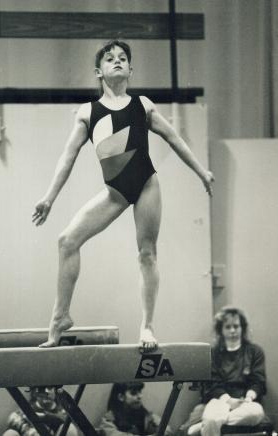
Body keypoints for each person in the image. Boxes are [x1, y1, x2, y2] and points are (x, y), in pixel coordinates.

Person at [32, 40, 215, 351]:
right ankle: (60, 316)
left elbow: (174, 138)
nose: (116, 62)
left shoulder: (142, 105)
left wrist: (202, 171)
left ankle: (147, 326)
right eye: (109, 59)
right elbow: (67, 157)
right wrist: (49, 198)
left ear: (131, 69)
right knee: (67, 241)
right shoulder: (88, 113)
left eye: (122, 58)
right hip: (115, 193)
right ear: (98, 72)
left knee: (146, 253)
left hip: (146, 185)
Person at [178, 306, 266, 436]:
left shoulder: (254, 351)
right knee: (212, 418)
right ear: (221, 330)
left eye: (236, 326)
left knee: (256, 413)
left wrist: (248, 397)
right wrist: (229, 401)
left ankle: (204, 425)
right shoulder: (213, 353)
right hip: (219, 400)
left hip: (246, 402)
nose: (232, 330)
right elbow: (212, 384)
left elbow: (258, 382)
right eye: (228, 327)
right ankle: (210, 422)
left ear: (242, 328)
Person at [98, 382, 173, 436]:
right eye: (133, 393)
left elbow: (167, 430)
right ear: (121, 397)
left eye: (140, 392)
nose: (140, 396)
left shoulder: (146, 415)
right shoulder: (109, 420)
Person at [2, 386, 77, 436]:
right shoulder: (21, 414)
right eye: (42, 388)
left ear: (56, 391)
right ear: (34, 392)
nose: (46, 392)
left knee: (70, 428)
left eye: (50, 388)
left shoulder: (65, 413)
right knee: (10, 433)